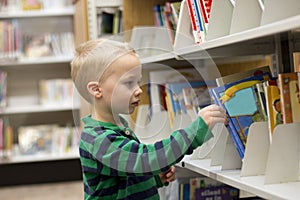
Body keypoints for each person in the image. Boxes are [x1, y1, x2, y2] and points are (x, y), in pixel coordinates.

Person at [70, 39, 227, 200]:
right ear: (96, 90)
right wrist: (195, 132)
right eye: (128, 83)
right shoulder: (99, 139)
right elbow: (144, 158)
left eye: (137, 82)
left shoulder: (116, 127)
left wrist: (152, 180)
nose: (138, 90)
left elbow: (127, 172)